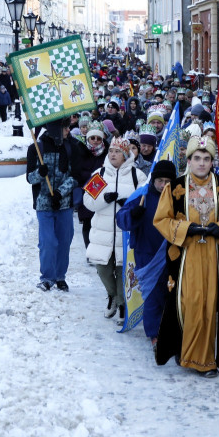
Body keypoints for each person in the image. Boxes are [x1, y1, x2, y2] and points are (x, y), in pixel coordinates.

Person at [152, 135, 219, 378]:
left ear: (212, 160)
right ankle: (184, 351)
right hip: (186, 255)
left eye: (206, 158)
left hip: (214, 254)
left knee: (210, 305)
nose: (202, 163)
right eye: (197, 158)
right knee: (189, 302)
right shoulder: (175, 188)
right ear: (189, 160)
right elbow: (161, 219)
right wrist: (186, 229)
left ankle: (205, 360)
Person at [84, 136, 147, 319]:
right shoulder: (100, 174)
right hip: (101, 234)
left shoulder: (137, 176)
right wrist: (104, 200)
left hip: (124, 234)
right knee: (103, 269)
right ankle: (112, 296)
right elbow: (88, 202)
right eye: (111, 151)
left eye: (117, 151)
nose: (113, 154)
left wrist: (130, 205)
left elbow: (144, 203)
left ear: (126, 154)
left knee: (122, 271)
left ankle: (121, 305)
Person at [116, 159, 177, 340]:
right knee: (152, 294)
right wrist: (133, 215)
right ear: (153, 180)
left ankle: (172, 331)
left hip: (173, 253)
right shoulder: (142, 195)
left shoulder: (179, 197)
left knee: (171, 293)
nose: (163, 185)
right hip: (147, 253)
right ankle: (154, 335)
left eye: (168, 181)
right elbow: (121, 218)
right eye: (160, 181)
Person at [26, 120, 79, 292]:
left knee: (64, 240)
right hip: (43, 204)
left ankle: (60, 276)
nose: (68, 130)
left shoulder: (72, 147)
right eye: (65, 127)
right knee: (48, 242)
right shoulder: (36, 148)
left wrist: (60, 193)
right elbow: (30, 178)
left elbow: (75, 176)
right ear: (55, 129)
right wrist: (39, 174)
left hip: (64, 203)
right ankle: (47, 277)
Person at [74, 124, 108, 248]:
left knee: (102, 221)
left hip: (103, 191)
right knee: (87, 221)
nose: (95, 141)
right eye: (92, 138)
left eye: (98, 138)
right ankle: (89, 248)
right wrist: (95, 174)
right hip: (86, 190)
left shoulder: (108, 151)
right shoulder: (79, 150)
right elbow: (76, 171)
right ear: (87, 139)